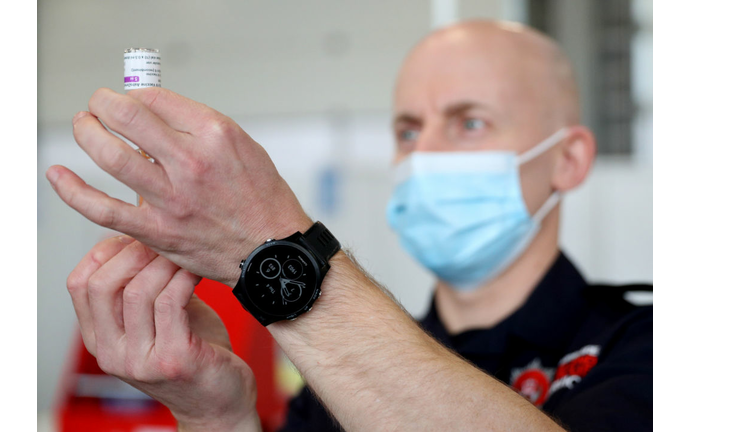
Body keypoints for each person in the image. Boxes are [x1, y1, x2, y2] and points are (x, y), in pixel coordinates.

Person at [47, 20, 653, 431]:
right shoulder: (330, 382)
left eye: (470, 123)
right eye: (408, 131)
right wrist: (217, 416)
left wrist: (271, 245)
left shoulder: (658, 349)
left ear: (568, 159)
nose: (426, 155)